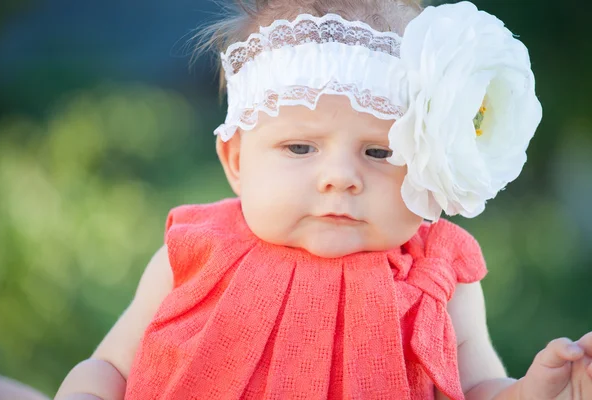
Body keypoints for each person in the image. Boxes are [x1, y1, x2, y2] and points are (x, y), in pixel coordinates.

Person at [55, 1, 592, 399]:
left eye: (380, 152)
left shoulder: (438, 280)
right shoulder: (194, 255)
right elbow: (110, 369)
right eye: (300, 147)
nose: (340, 177)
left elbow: (477, 388)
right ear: (237, 160)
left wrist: (532, 392)